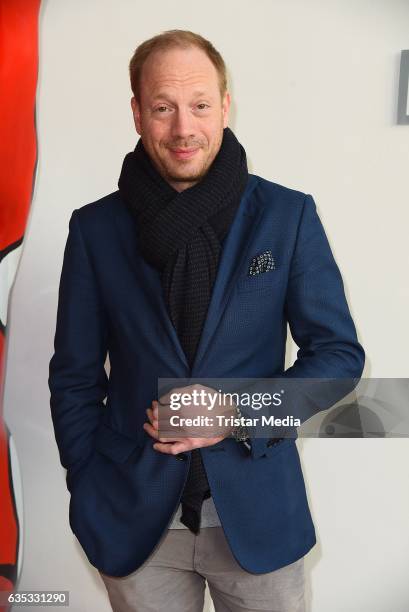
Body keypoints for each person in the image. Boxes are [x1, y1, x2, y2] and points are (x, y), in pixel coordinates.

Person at [48, 29, 365, 612]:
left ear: (225, 105)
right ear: (138, 113)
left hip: (258, 509)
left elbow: (339, 357)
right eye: (163, 108)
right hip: (134, 515)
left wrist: (237, 412)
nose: (183, 128)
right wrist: (87, 481)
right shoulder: (95, 230)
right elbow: (74, 374)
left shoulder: (287, 216)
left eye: (199, 105)